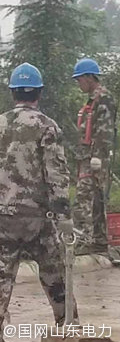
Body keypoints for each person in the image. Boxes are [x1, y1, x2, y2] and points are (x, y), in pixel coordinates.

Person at [0, 63, 78, 342]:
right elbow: (55, 172)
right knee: (54, 273)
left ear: (13, 93)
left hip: (1, 214)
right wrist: (64, 214)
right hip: (36, 215)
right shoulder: (47, 126)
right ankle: (69, 331)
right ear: (39, 92)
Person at [71, 58, 117, 254]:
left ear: (89, 77)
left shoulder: (103, 99)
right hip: (87, 157)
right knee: (96, 200)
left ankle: (84, 239)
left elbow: (104, 130)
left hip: (95, 159)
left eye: (79, 79)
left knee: (84, 200)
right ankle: (98, 240)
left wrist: (97, 157)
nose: (78, 83)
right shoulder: (93, 99)